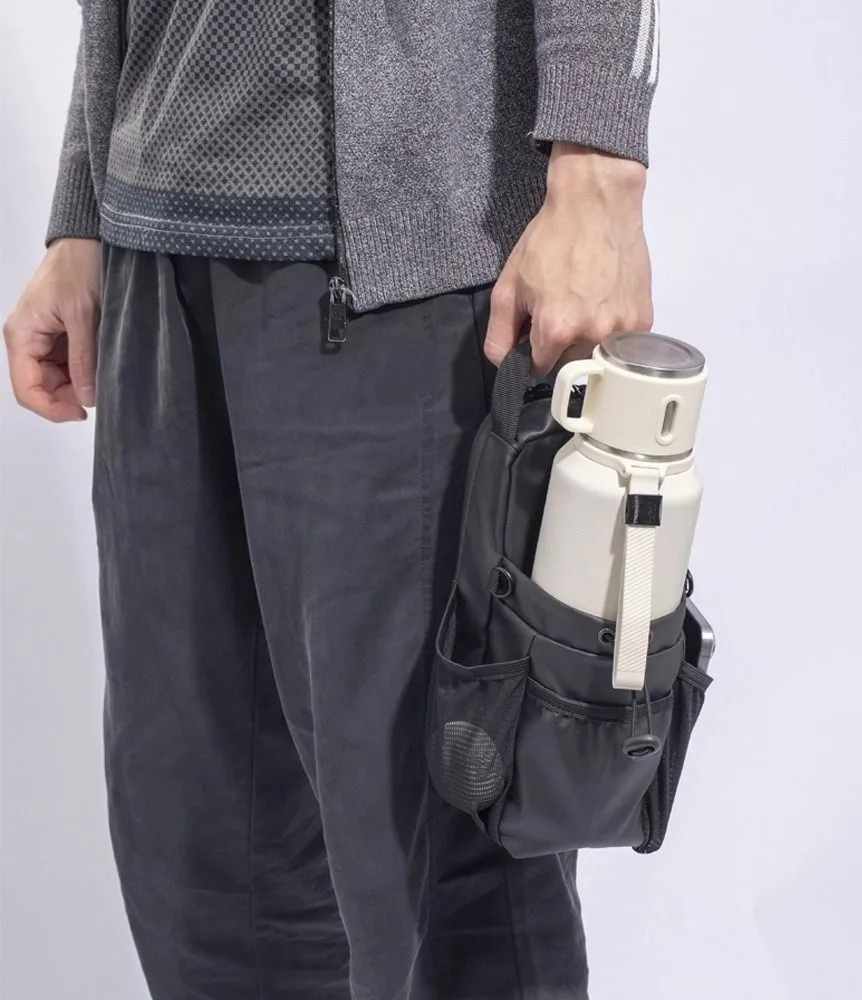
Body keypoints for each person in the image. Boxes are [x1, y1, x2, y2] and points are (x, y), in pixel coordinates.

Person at [3, 1, 659, 997]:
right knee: (204, 876)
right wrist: (84, 207)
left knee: (447, 866)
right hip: (154, 262)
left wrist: (599, 169)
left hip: (407, 268)